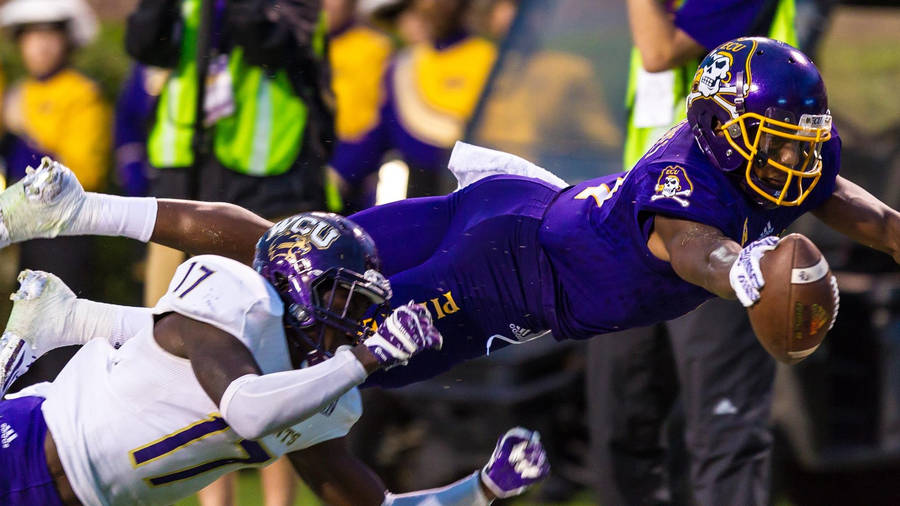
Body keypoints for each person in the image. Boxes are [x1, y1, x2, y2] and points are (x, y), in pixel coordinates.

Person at [0, 38, 897, 416]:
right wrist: (743, 270)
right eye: (778, 142)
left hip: (510, 206)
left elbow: (854, 205)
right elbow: (684, 244)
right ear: (722, 131)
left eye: (804, 142)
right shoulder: (690, 178)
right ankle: (75, 323)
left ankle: (77, 213)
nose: (796, 161)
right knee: (304, 355)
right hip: (509, 275)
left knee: (290, 246)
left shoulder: (774, 158)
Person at [0, 210, 549, 505]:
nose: (356, 318)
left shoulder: (323, 398)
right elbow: (246, 408)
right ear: (294, 281)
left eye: (363, 305)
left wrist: (481, 489)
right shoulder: (232, 300)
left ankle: (65, 317)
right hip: (24, 446)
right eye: (344, 296)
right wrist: (366, 357)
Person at [590, 1, 799, 504]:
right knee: (621, 431)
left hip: (722, 221)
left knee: (723, 435)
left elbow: (659, 51)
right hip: (641, 222)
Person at [330, 0, 497, 198]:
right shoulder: (404, 65)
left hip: (479, 188)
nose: (434, 6)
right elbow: (376, 136)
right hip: (420, 192)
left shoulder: (491, 59)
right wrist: (337, 175)